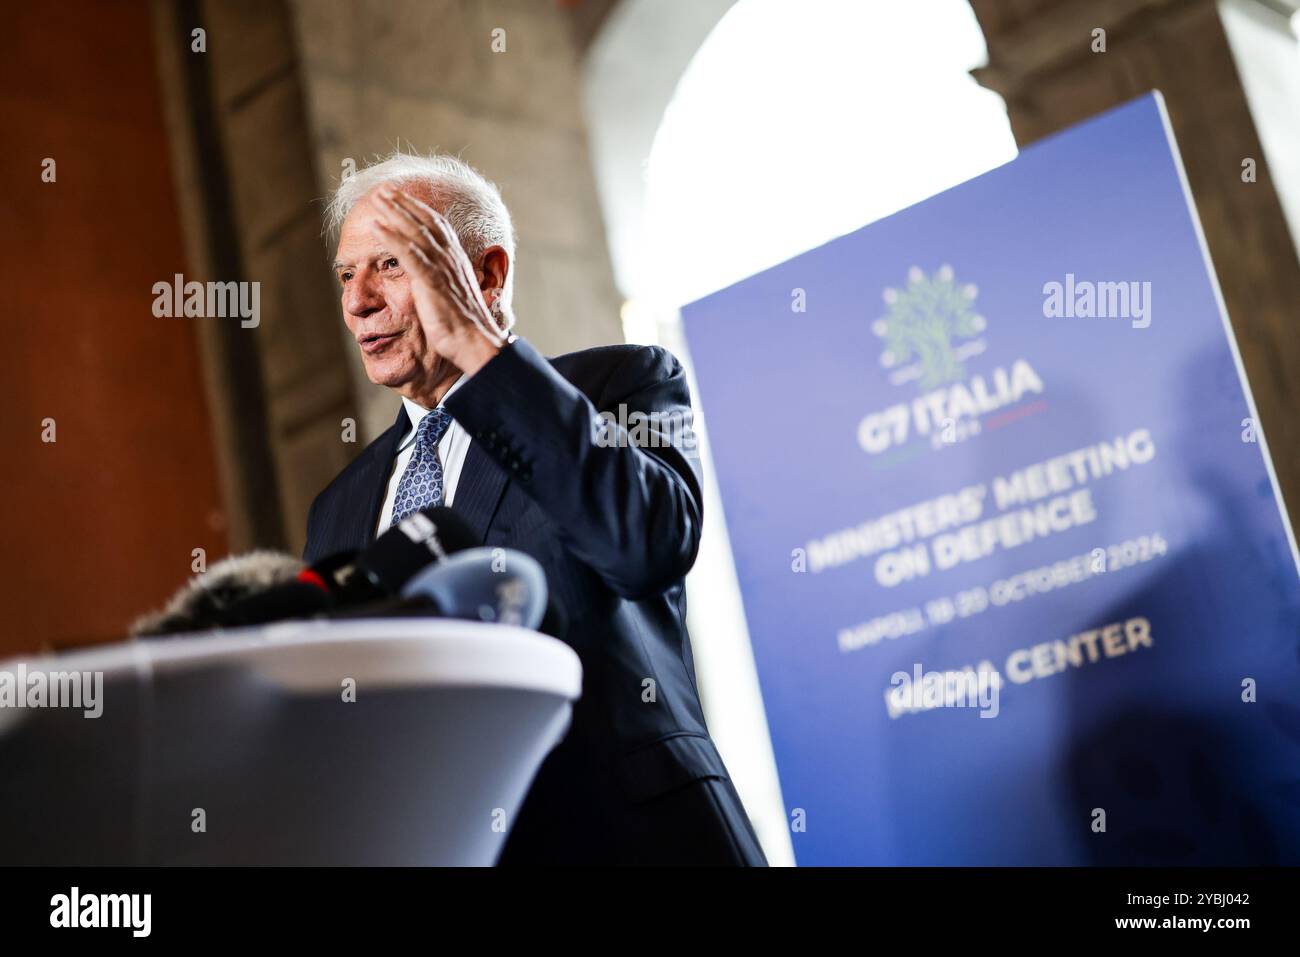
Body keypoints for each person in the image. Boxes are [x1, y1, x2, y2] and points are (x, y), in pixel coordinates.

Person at [304, 152, 766, 866]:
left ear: (486, 274)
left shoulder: (623, 382)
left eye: (391, 264)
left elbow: (644, 544)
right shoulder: (338, 507)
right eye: (345, 273)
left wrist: (482, 350)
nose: (358, 300)